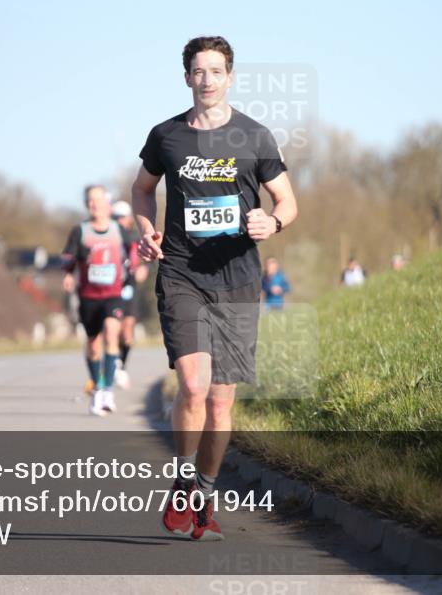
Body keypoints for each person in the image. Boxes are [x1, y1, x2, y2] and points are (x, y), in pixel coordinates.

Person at [132, 36, 297, 541]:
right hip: (182, 274)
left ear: (230, 77)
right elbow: (142, 189)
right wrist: (146, 230)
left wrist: (272, 222)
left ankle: (203, 493)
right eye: (198, 71)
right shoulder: (166, 136)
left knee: (221, 404)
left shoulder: (255, 137)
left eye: (216, 71)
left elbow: (287, 201)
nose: (207, 80)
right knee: (194, 386)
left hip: (238, 280)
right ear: (187, 77)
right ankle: (184, 480)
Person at [60, 185, 136, 416]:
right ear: (86, 205)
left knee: (112, 332)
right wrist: (68, 274)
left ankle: (108, 392)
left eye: (98, 200)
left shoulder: (117, 229)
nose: (94, 204)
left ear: (107, 203)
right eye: (90, 201)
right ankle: (97, 388)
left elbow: (133, 249)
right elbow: (68, 257)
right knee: (93, 345)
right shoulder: (80, 231)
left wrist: (137, 267)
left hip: (113, 294)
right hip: (88, 295)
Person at [111, 199, 148, 388]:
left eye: (122, 217)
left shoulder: (134, 239)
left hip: (129, 289)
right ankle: (112, 364)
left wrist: (143, 269)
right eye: (116, 217)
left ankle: (122, 366)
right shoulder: (108, 238)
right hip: (111, 290)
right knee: (112, 329)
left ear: (129, 219)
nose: (120, 221)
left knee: (127, 333)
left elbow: (146, 259)